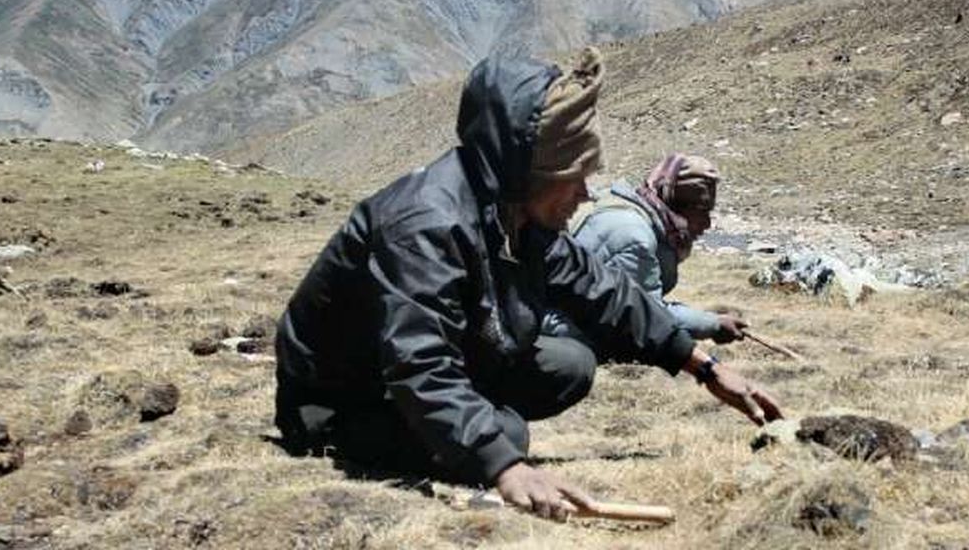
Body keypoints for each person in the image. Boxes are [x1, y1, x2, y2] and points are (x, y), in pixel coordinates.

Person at [274, 48, 782, 522]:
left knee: (568, 365)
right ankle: (389, 434)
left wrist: (704, 366)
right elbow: (418, 359)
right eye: (574, 175)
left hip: (413, 366)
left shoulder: (519, 213)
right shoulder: (426, 223)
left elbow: (602, 290)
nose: (585, 193)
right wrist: (503, 466)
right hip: (344, 396)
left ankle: (462, 421)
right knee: (507, 434)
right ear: (530, 169)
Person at [546, 153, 747, 345]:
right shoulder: (634, 237)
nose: (707, 224)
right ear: (674, 205)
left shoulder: (621, 205)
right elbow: (647, 316)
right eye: (701, 211)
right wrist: (713, 324)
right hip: (552, 329)